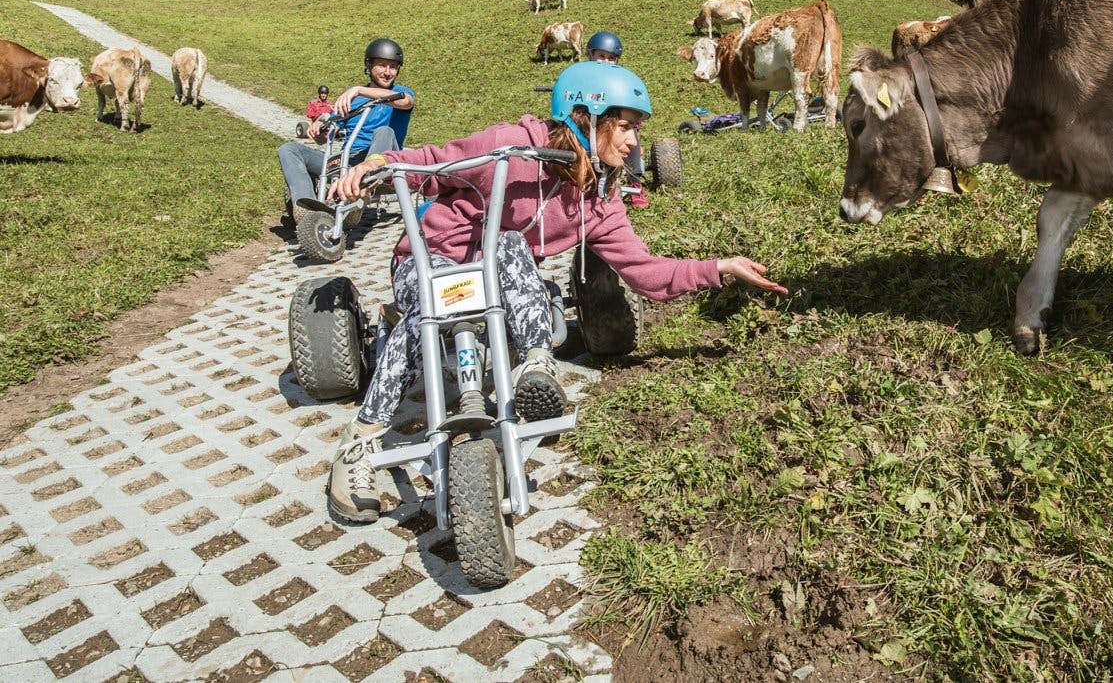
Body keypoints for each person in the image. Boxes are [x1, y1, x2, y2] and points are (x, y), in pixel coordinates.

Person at [324, 61, 786, 523]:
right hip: (432, 261)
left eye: (637, 131)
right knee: (432, 306)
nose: (633, 143)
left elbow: (646, 272)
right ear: (586, 117)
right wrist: (376, 165)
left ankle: (536, 365)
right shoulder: (512, 147)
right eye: (624, 127)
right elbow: (431, 162)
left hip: (496, 281)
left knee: (506, 243)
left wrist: (720, 267)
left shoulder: (599, 202)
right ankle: (360, 442)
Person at [278, 39, 415, 214]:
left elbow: (406, 102)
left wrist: (358, 90)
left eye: (393, 67)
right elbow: (324, 139)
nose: (388, 72)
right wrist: (319, 128)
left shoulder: (399, 92)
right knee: (289, 149)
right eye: (382, 65)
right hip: (346, 161)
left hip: (383, 162)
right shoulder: (351, 99)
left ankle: (362, 184)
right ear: (369, 65)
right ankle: (306, 209)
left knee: (384, 131)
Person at [582, 31, 648, 206]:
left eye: (611, 58)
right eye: (601, 56)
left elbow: (630, 102)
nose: (605, 61)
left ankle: (635, 183)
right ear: (590, 54)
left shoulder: (620, 79)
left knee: (630, 141)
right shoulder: (581, 76)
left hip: (615, 123)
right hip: (588, 123)